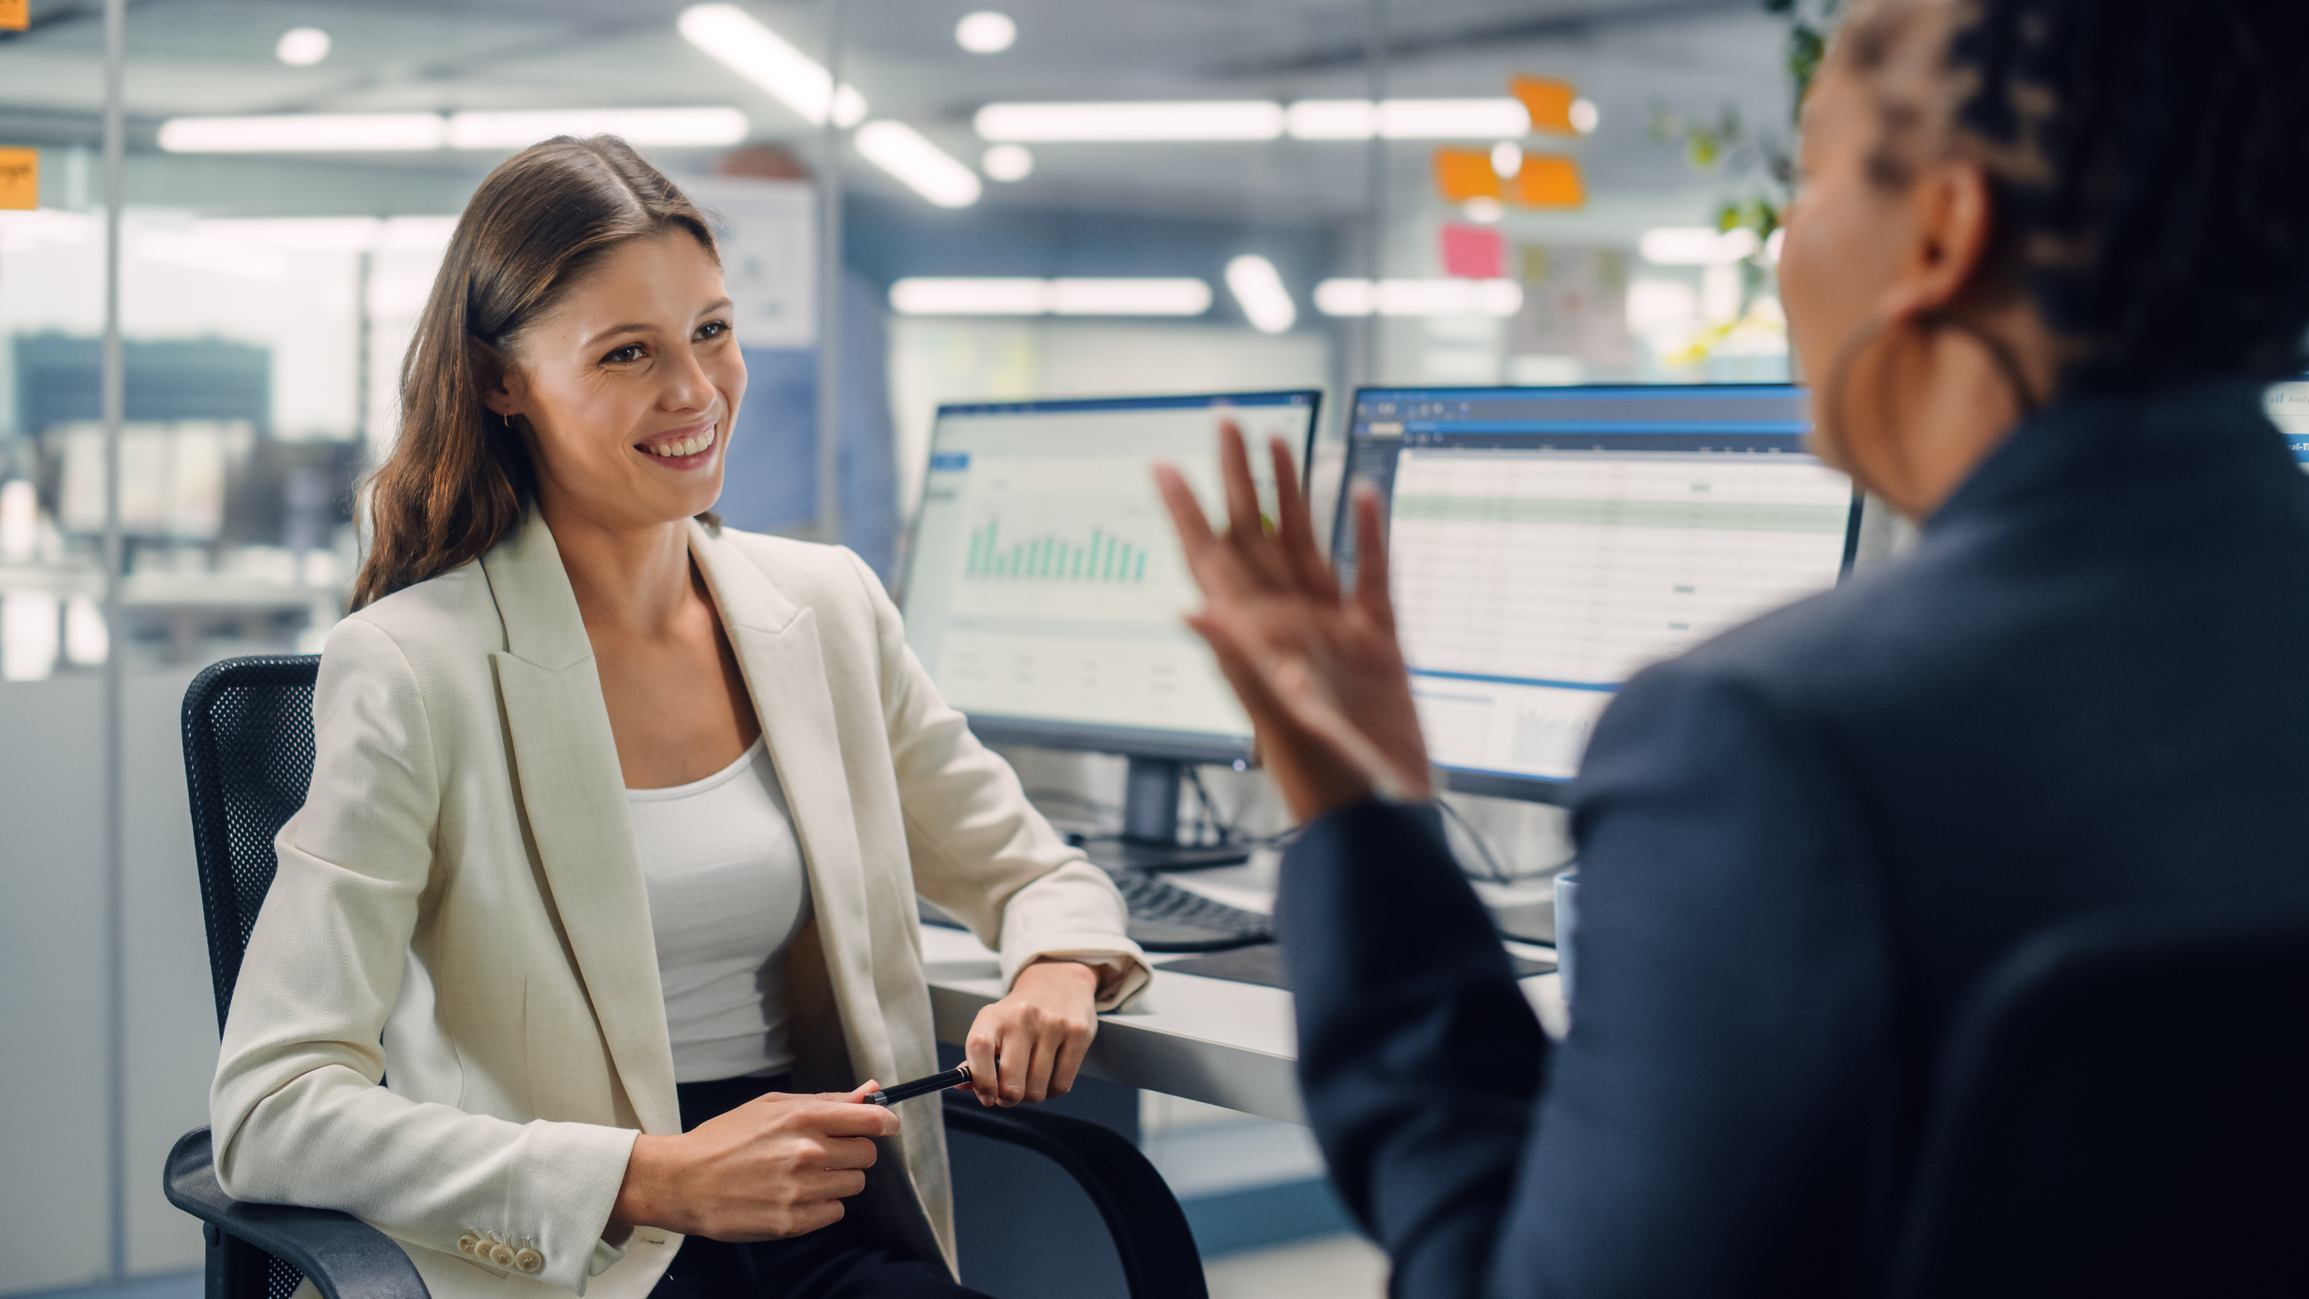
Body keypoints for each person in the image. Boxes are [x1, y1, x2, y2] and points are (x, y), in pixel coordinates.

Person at [1155, 0, 2309, 1293]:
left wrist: (1357, 824)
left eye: (1812, 174)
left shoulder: (1767, 743)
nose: (1783, 250)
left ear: (1940, 232)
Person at [209, 136, 1149, 1299]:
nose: (694, 392)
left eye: (711, 330)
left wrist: (1059, 965)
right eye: (626, 353)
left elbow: (1028, 872)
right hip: (587, 1250)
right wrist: (646, 1178)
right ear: (503, 381)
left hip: (821, 1221)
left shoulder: (827, 609)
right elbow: (273, 1108)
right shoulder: (414, 666)